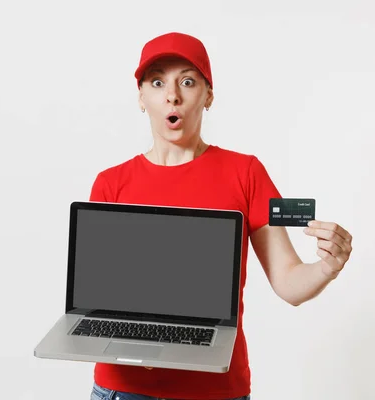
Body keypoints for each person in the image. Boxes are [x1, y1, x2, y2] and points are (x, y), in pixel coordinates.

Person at [88, 32, 353, 400]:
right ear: (141, 97)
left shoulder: (244, 173)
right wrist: (136, 343)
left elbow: (289, 283)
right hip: (125, 389)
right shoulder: (110, 184)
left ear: (208, 95)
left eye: (187, 81)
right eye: (157, 82)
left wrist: (328, 266)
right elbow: (100, 300)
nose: (172, 95)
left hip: (215, 390)